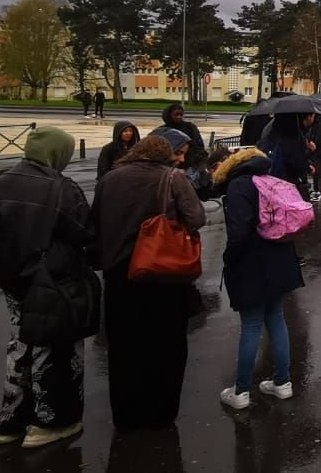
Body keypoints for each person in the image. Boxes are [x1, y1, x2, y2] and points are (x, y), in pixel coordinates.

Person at [0, 126, 94, 448]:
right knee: (55, 348)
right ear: (58, 153)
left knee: (20, 345)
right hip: (50, 281)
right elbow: (83, 232)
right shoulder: (62, 188)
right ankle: (50, 424)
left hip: (11, 278)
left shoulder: (6, 180)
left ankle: (10, 424)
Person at [91, 134, 206, 430]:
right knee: (165, 344)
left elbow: (96, 221)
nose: (180, 159)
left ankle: (126, 414)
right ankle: (161, 412)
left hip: (119, 273)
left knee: (124, 346)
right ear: (164, 154)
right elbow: (196, 217)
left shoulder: (111, 178)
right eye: (179, 153)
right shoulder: (172, 178)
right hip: (160, 271)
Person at [215, 148, 305, 410]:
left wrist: (229, 260)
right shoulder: (271, 180)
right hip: (281, 258)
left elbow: (239, 233)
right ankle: (282, 383)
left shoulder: (239, 186)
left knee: (252, 325)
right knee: (276, 319)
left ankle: (241, 391)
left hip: (253, 263)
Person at [158, 103, 206, 168]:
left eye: (181, 114)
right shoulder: (162, 130)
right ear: (168, 115)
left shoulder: (190, 127)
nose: (179, 117)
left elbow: (198, 145)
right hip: (167, 164)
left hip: (190, 164)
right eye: (176, 114)